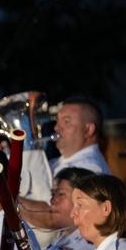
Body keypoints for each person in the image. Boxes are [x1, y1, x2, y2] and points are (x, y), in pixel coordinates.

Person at [19, 98, 110, 229]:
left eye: (66, 122)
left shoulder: (91, 169)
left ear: (88, 129)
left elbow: (55, 218)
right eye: (57, 121)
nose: (56, 127)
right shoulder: (56, 162)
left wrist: (5, 197)